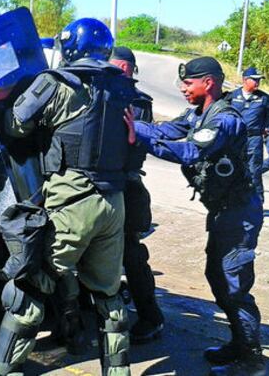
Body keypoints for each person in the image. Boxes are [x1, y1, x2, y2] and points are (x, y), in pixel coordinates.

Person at [0, 18, 134, 376]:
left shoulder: (55, 83)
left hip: (72, 200)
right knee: (109, 298)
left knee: (28, 291)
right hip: (114, 203)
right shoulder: (122, 86)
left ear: (70, 47)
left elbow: (15, 125)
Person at [129, 56, 265, 375]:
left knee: (233, 284)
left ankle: (252, 360)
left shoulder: (225, 119)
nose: (182, 88)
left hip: (239, 213)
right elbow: (166, 129)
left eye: (188, 83)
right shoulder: (198, 113)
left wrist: (139, 139)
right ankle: (239, 344)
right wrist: (130, 123)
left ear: (209, 83)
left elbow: (190, 151)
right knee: (217, 277)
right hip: (223, 211)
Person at [109, 45, 165, 344]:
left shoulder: (138, 101)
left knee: (131, 255)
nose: (121, 71)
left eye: (124, 67)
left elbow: (136, 144)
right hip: (97, 184)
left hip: (126, 186)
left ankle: (151, 317)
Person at [230, 67, 269, 201]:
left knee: (254, 171)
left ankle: (258, 202)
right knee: (233, 170)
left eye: (259, 80)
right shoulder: (232, 96)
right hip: (235, 139)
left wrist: (263, 128)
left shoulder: (264, 98)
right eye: (254, 80)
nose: (257, 83)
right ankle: (232, 201)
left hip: (254, 139)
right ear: (244, 80)